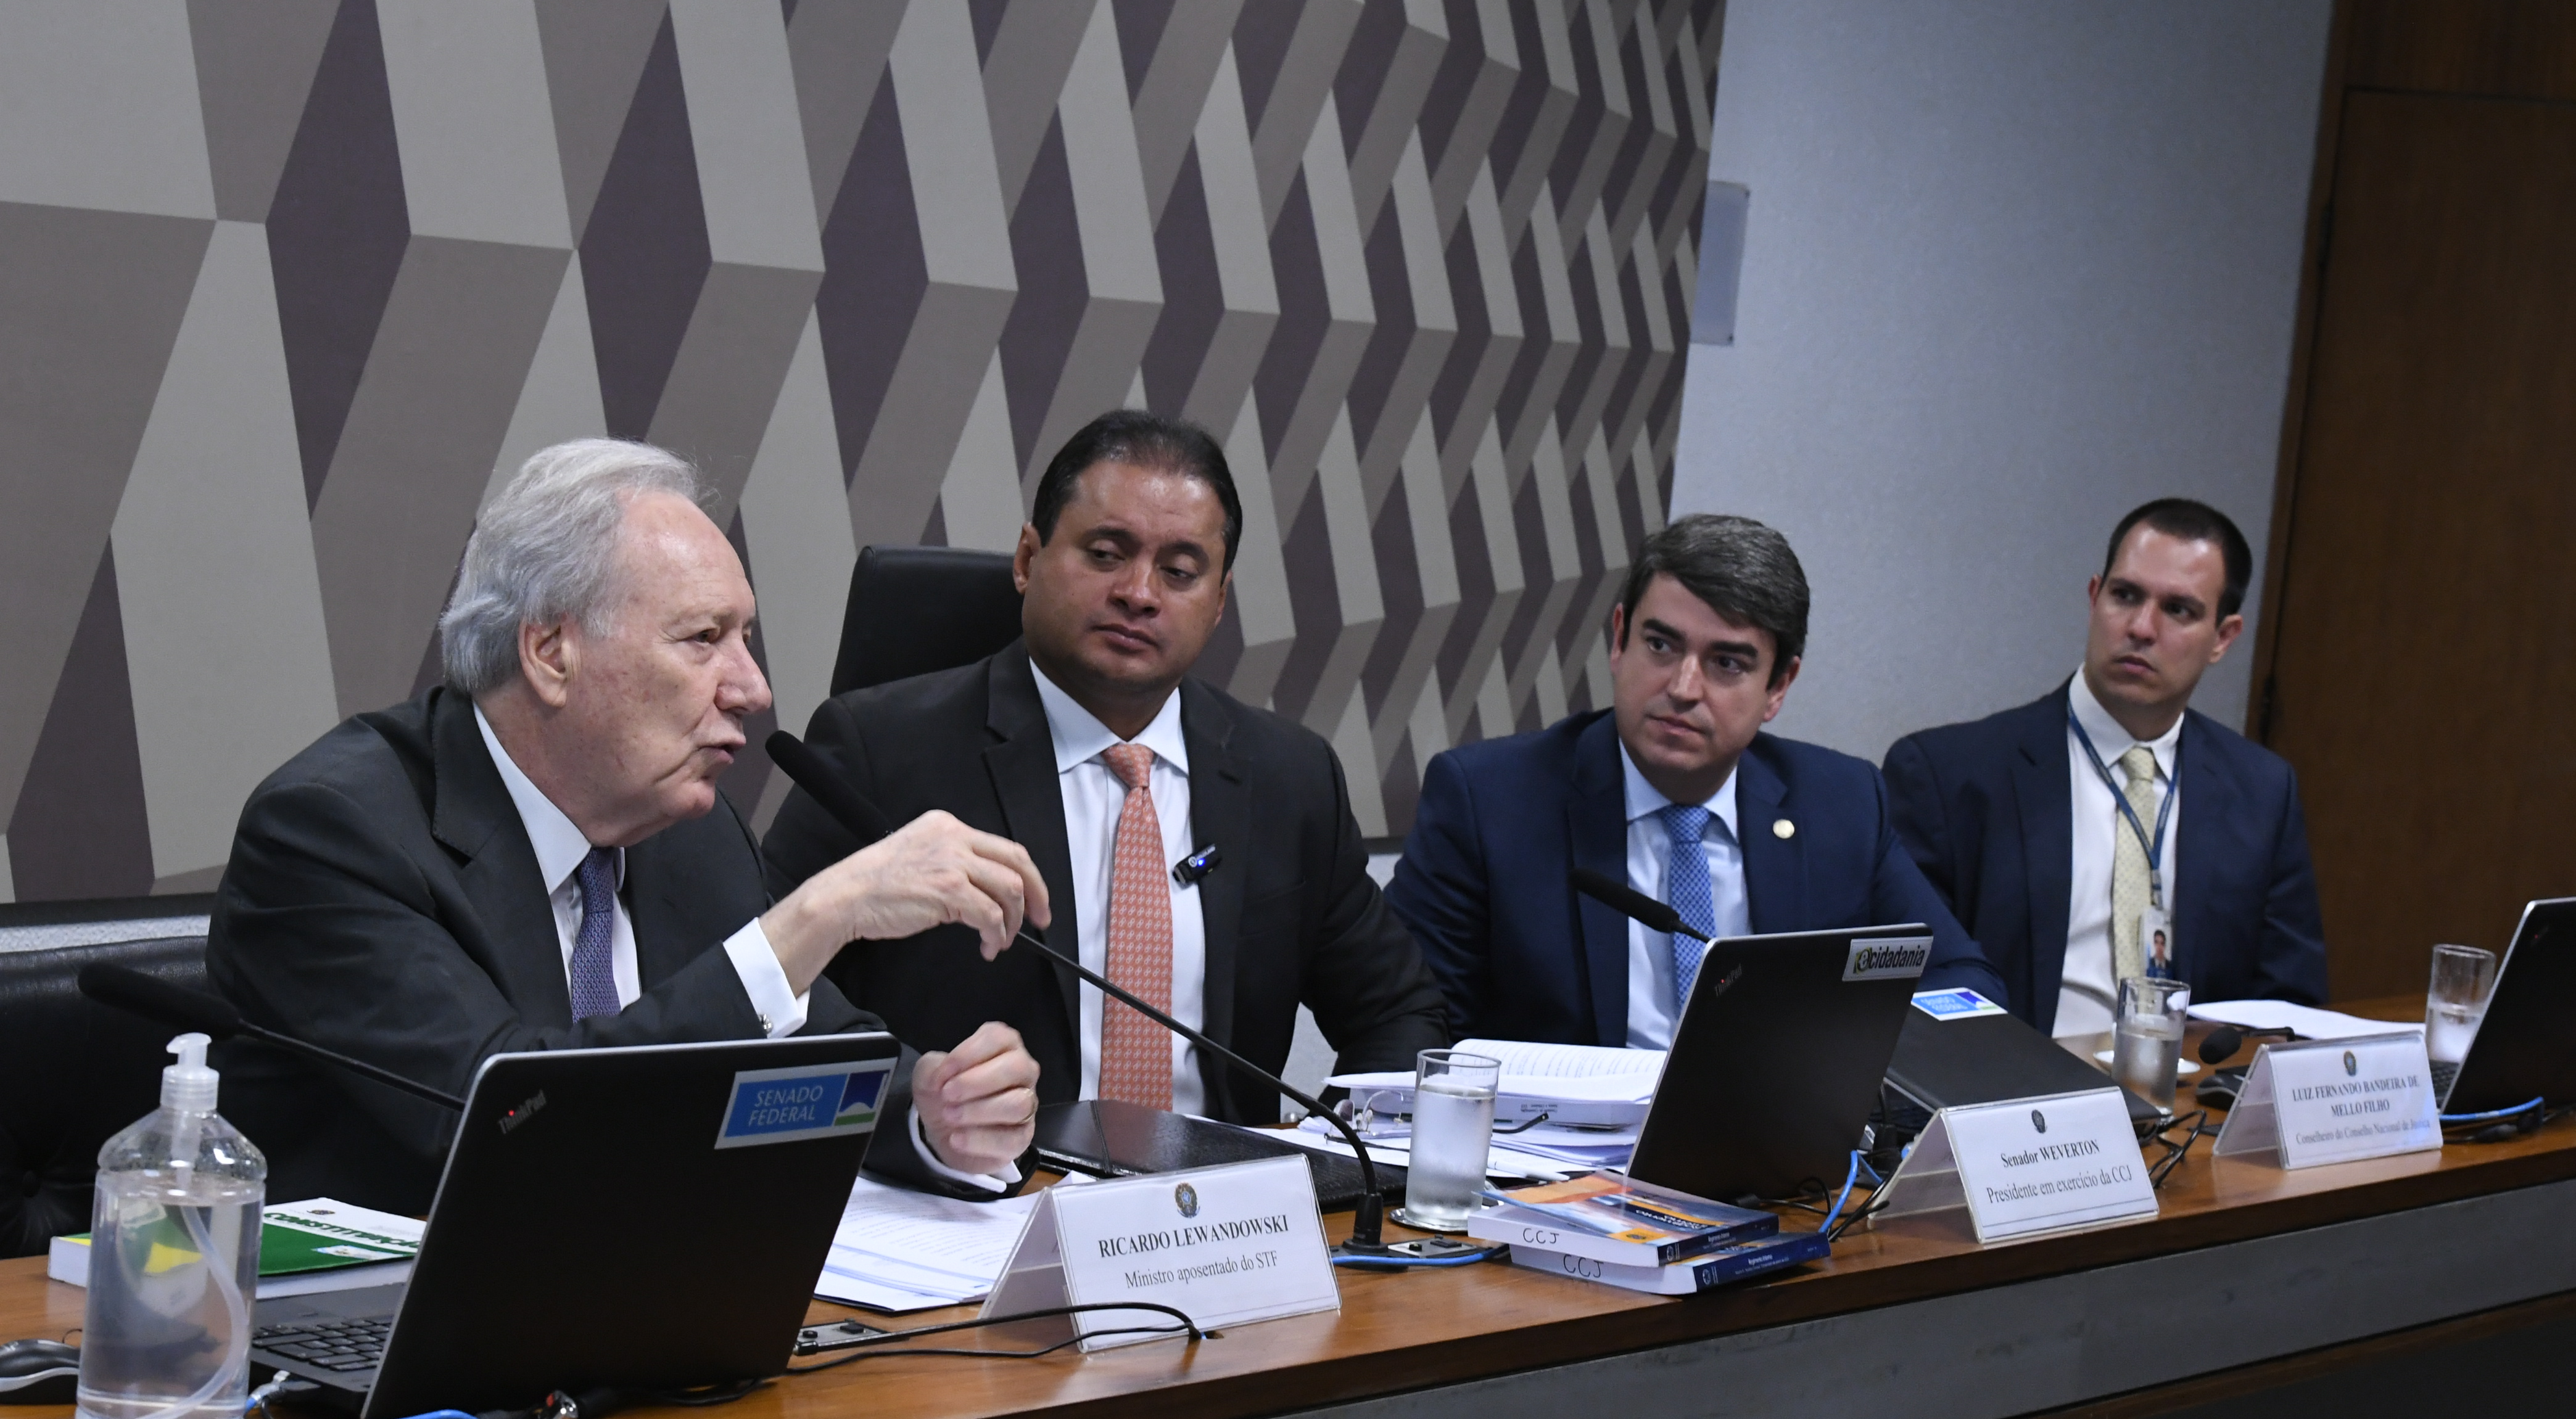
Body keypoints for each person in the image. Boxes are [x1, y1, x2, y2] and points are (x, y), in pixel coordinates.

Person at [206, 440, 1049, 1214]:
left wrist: (931, 1110)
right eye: (703, 639)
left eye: (744, 637)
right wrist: (817, 917)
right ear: (550, 654)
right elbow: (518, 1119)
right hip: (374, 1344)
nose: (751, 688)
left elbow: (813, 1058)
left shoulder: (689, 829)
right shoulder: (332, 834)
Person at [762, 410, 1446, 1122]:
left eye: (1180, 572)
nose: (1140, 594)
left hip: (1218, 1212)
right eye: (1106, 554)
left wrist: (1338, 1160)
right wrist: (918, 1112)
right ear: (1027, 561)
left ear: (1218, 603)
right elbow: (772, 993)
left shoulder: (1290, 776)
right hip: (978, 1203)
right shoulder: (880, 750)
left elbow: (1400, 1012)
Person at [1385, 514, 2004, 1049]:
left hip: (1775, 1168)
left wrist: (1844, 1069)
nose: (1683, 688)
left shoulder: (1840, 803)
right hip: (1552, 1171)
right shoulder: (1488, 801)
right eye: (1661, 645)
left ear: (1779, 687)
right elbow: (1412, 1023)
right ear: (1619, 639)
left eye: (1726, 663)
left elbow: (1962, 986)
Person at [1881, 498, 2327, 1036]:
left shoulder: (2262, 789)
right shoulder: (1949, 776)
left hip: (2190, 1105)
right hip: (2021, 1098)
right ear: (2095, 599)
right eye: (2125, 596)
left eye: (2179, 610)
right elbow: (1907, 992)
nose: (2141, 627)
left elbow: (2288, 1002)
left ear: (2224, 638)